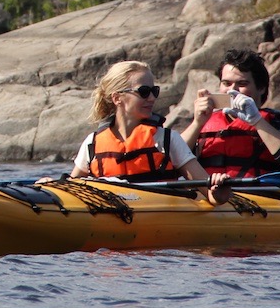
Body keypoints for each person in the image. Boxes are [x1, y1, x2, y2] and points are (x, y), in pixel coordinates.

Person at [67, 60, 230, 205]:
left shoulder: (167, 139)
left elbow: (210, 194)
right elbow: (68, 190)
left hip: (159, 217)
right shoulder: (92, 143)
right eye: (144, 91)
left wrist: (217, 192)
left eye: (155, 91)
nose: (152, 98)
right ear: (117, 98)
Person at [181, 49, 280, 179]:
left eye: (242, 84)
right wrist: (197, 123)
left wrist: (257, 122)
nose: (232, 90)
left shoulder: (278, 124)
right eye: (226, 83)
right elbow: (168, 164)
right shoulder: (203, 124)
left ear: (261, 88)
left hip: (259, 196)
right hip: (210, 196)